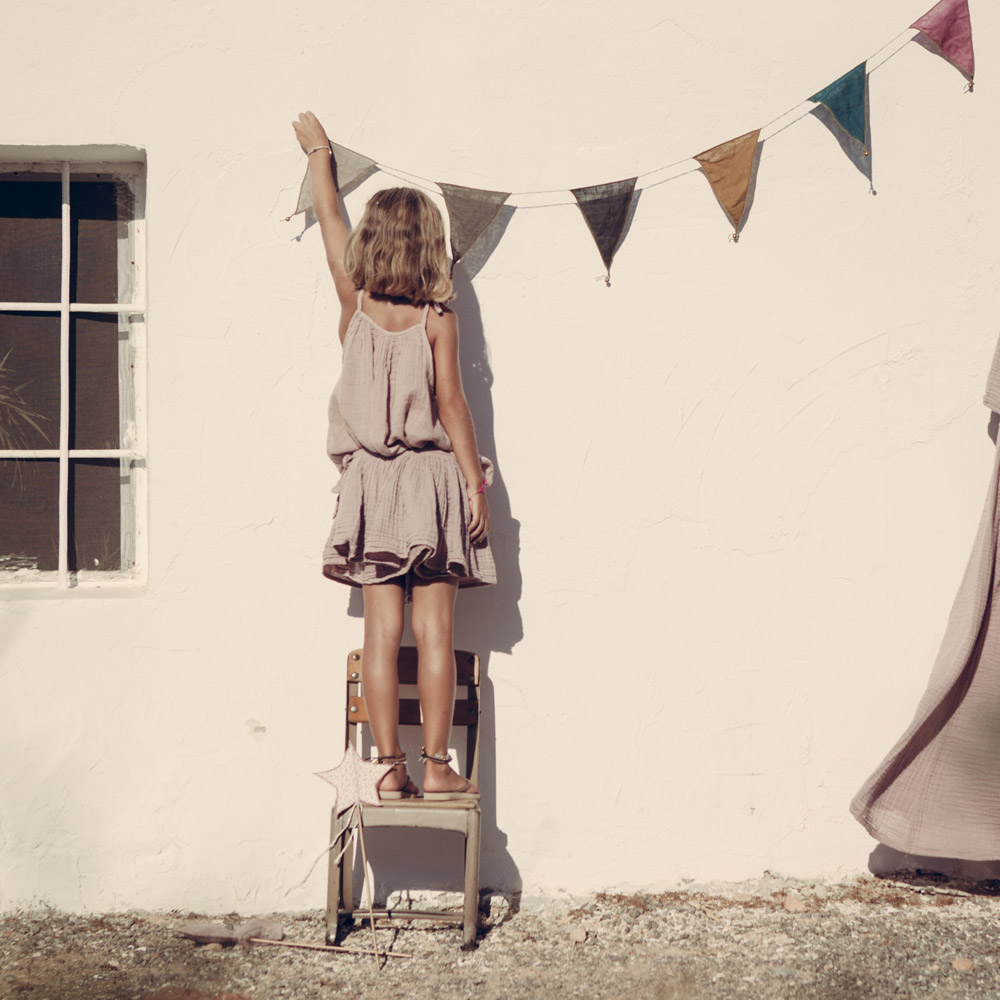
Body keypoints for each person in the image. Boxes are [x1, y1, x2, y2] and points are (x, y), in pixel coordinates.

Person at [292, 111, 496, 802]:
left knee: (383, 634)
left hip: (372, 487)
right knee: (434, 631)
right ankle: (437, 766)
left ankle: (387, 766)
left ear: (374, 245)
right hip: (433, 484)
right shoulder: (440, 316)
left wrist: (320, 154)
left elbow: (329, 226)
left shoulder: (355, 302)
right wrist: (475, 485)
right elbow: (453, 405)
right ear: (431, 247)